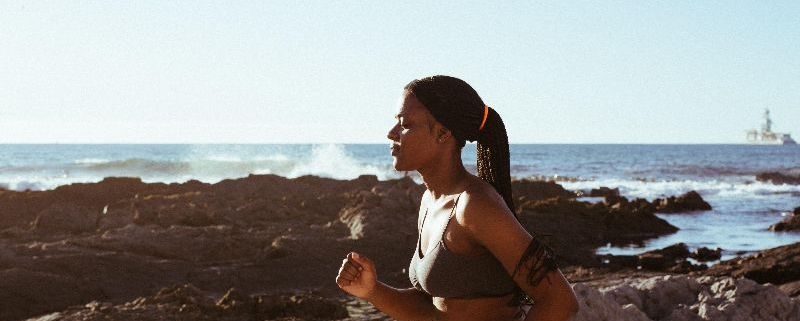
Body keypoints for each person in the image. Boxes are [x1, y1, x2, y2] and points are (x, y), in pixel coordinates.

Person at [336, 75, 579, 321]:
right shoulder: (431, 201)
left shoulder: (475, 205)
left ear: (443, 133)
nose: (391, 133)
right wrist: (372, 290)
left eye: (405, 124)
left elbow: (560, 301)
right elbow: (437, 311)